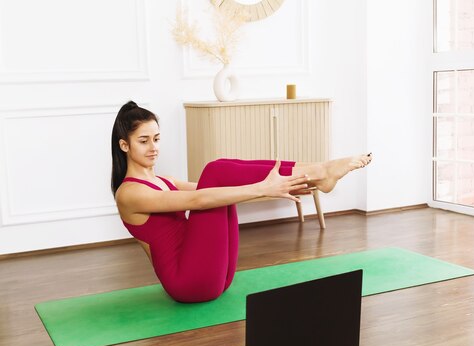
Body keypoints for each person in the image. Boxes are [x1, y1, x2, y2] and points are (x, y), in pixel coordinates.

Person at [111, 101, 372, 303]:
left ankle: (317, 173)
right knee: (216, 171)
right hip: (188, 284)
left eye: (156, 139)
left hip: (215, 276)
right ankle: (320, 172)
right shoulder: (129, 193)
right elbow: (199, 199)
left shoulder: (163, 180)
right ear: (124, 145)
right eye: (143, 141)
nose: (153, 147)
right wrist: (262, 189)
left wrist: (276, 188)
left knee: (220, 172)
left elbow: (220, 190)